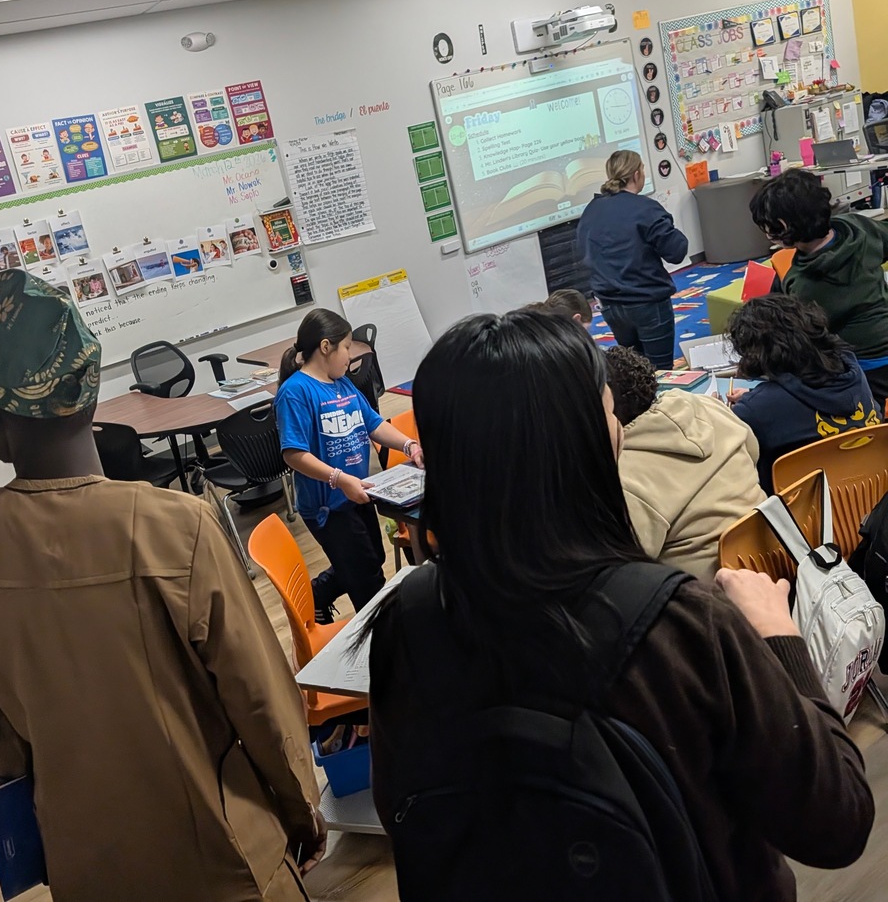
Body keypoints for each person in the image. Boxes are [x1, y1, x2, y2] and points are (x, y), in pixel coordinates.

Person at [366, 309, 873, 901]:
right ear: (580, 441)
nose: (622, 430)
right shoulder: (680, 625)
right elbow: (838, 822)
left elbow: (396, 801)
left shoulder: (410, 617)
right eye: (609, 412)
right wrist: (780, 638)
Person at [0, 269, 325, 902]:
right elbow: (261, 701)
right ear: (91, 392)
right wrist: (300, 811)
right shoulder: (175, 526)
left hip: (85, 864)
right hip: (223, 855)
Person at [275, 308, 423, 622]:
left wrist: (409, 444)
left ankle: (318, 594)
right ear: (325, 347)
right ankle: (379, 639)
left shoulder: (341, 384)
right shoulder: (296, 393)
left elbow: (372, 423)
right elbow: (292, 454)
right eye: (346, 347)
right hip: (328, 505)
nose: (350, 355)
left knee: (371, 558)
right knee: (367, 578)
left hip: (357, 494)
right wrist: (339, 478)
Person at [605, 346, 765, 580]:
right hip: (774, 558)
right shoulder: (704, 405)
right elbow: (753, 452)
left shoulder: (625, 480)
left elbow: (621, 568)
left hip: (712, 600)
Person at [750, 168, 888, 402]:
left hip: (864, 372)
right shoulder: (856, 228)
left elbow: (802, 344)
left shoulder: (806, 285)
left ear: (783, 226)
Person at [727, 293, 881, 492]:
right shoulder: (851, 368)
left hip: (804, 515)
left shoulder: (755, 410)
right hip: (872, 492)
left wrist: (714, 411)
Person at [576, 150, 688, 368]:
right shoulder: (645, 208)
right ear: (637, 174)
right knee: (660, 370)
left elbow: (586, 252)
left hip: (610, 305)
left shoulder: (592, 210)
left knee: (635, 368)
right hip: (647, 301)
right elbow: (676, 252)